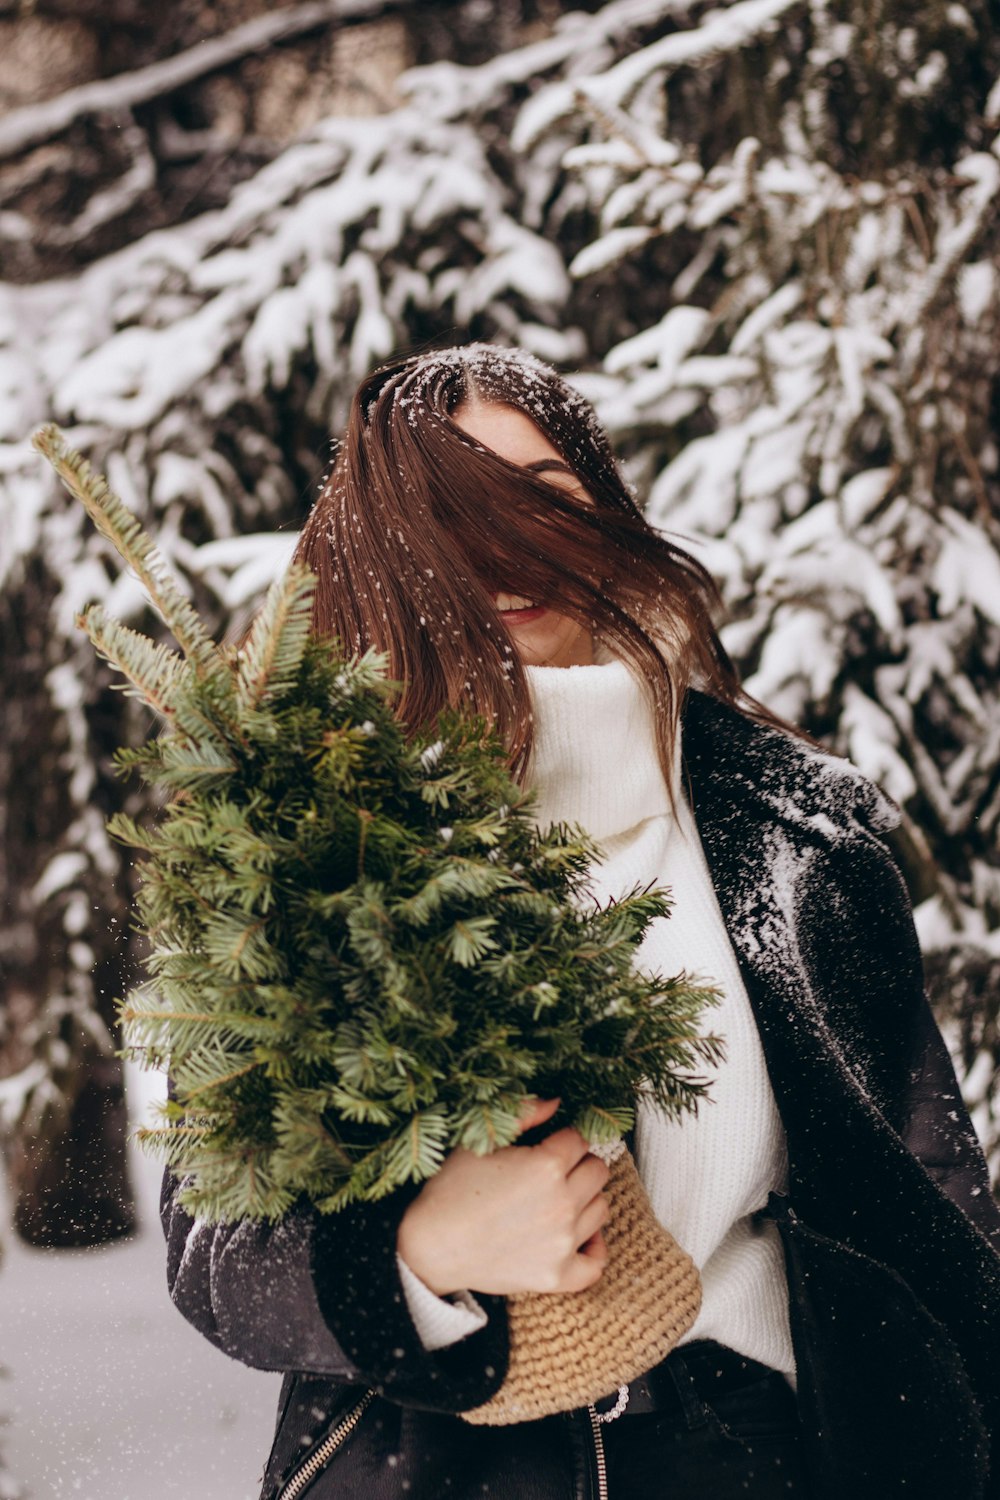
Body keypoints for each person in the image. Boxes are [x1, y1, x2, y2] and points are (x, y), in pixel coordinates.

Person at [161, 343, 1000, 1500]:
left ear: (605, 513)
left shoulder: (796, 828)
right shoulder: (308, 835)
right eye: (457, 517)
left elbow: (934, 1211)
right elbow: (216, 1254)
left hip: (773, 1452)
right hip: (439, 1461)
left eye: (542, 501)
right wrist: (420, 1253)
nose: (505, 554)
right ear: (388, 555)